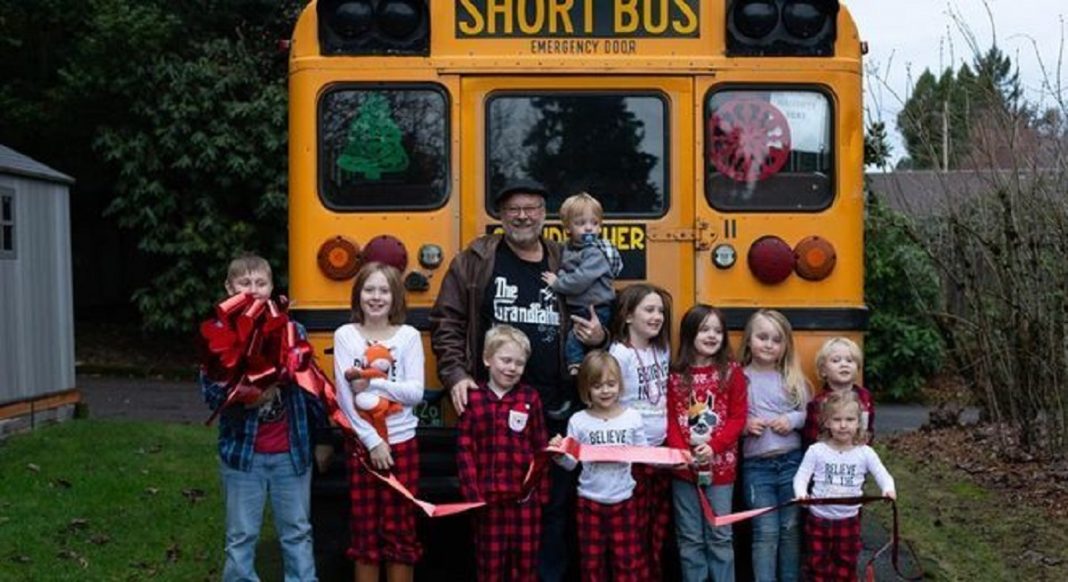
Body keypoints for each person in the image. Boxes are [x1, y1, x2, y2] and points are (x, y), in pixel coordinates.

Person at [430, 179, 606, 581]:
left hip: (558, 407)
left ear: (545, 215)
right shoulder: (475, 261)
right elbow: (447, 321)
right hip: (496, 409)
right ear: (501, 216)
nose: (523, 216)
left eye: (531, 208)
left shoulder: (567, 260)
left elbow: (599, 310)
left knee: (554, 507)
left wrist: (601, 338)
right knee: (494, 512)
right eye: (513, 209)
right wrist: (456, 373)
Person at [199, 253, 326, 582]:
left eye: (261, 283)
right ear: (229, 288)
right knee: (241, 537)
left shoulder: (291, 328)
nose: (253, 290)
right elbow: (211, 394)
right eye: (245, 283)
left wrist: (323, 438)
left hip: (291, 453)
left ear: (271, 287)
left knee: (297, 533)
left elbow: (313, 389)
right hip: (244, 456)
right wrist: (247, 395)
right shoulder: (219, 334)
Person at [333, 262, 425, 582]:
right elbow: (345, 400)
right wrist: (372, 441)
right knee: (365, 528)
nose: (376, 297)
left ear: (395, 297)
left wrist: (375, 382)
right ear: (358, 296)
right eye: (369, 290)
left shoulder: (409, 336)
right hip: (363, 446)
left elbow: (414, 393)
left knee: (401, 527)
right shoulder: (345, 335)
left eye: (384, 290)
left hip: (402, 444)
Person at [456, 325, 549, 582]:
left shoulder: (530, 397)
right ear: (487, 359)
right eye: (506, 360)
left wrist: (540, 494)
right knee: (490, 565)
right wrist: (472, 495)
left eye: (519, 363)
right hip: (488, 501)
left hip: (524, 500)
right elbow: (465, 449)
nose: (512, 368)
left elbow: (541, 447)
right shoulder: (473, 399)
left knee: (526, 563)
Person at [665, 304, 747, 582]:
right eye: (704, 329)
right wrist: (682, 453)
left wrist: (715, 447)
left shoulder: (731, 372)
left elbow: (738, 418)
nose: (712, 335)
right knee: (689, 537)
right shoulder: (676, 374)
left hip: (721, 469)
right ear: (690, 333)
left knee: (720, 535)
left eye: (717, 330)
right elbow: (672, 420)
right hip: (683, 470)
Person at [551, 350, 648, 582]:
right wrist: (558, 454)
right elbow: (570, 464)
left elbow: (645, 453)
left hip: (624, 500)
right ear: (586, 389)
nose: (605, 390)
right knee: (592, 564)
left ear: (620, 385)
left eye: (611, 384)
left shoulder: (632, 417)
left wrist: (679, 458)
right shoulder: (578, 421)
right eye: (597, 385)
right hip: (589, 502)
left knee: (626, 563)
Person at [793, 391, 896, 582]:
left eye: (849, 419)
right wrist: (801, 493)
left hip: (848, 522)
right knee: (818, 568)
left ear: (858, 422)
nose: (843, 425)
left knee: (846, 568)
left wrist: (888, 489)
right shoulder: (816, 451)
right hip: (819, 521)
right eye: (837, 419)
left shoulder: (865, 453)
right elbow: (801, 477)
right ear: (826, 422)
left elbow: (883, 475)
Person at [607, 284, 673, 579]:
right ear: (628, 316)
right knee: (632, 525)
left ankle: (653, 572)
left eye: (660, 310)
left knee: (656, 524)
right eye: (649, 309)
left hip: (662, 452)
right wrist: (641, 449)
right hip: (634, 456)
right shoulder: (619, 354)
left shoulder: (662, 349)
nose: (657, 316)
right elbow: (615, 402)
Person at [739, 309, 810, 582]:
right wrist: (745, 425)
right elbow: (730, 417)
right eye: (762, 337)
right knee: (765, 532)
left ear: (785, 346)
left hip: (791, 463)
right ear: (749, 341)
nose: (769, 344)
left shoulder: (791, 379)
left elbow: (807, 415)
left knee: (790, 530)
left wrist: (792, 419)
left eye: (776, 340)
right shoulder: (740, 378)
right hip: (757, 468)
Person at [541, 192, 622, 375]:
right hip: (579, 306)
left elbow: (580, 280)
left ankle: (576, 366)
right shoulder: (569, 249)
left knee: (575, 337)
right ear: (568, 228)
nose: (588, 229)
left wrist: (557, 283)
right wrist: (561, 274)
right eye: (580, 223)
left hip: (596, 307)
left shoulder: (595, 253)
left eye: (594, 223)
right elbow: (565, 268)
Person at [802, 337, 875, 447]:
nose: (844, 364)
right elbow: (811, 438)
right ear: (823, 370)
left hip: (858, 453)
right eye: (836, 360)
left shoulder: (865, 397)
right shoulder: (818, 402)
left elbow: (868, 429)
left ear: (858, 367)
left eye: (849, 360)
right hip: (827, 457)